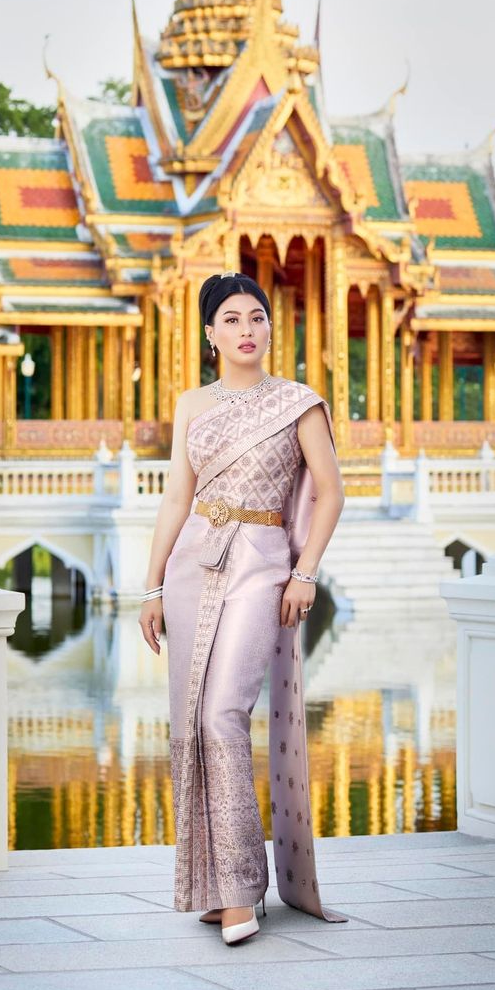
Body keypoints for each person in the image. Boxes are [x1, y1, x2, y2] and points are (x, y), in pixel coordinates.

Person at [139, 270, 348, 944]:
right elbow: (177, 497)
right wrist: (149, 586)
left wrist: (305, 570)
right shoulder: (192, 405)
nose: (246, 330)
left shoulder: (297, 402)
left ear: (268, 326)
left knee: (224, 711)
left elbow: (332, 492)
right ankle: (209, 885)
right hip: (194, 561)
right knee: (190, 722)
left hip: (262, 562)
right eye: (230, 319)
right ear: (210, 334)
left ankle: (241, 890)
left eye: (255, 317)